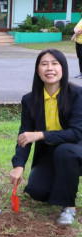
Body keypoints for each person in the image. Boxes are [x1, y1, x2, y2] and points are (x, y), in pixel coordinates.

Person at [10, 49, 82, 225]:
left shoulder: (77, 95)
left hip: (76, 148)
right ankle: (63, 180)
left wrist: (41, 134)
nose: (50, 68)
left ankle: (69, 207)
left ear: (63, 68)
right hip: (50, 152)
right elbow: (24, 135)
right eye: (44, 64)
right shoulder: (30, 100)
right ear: (38, 70)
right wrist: (19, 165)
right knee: (37, 191)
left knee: (65, 152)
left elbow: (77, 132)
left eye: (55, 63)